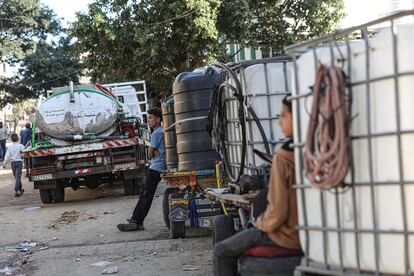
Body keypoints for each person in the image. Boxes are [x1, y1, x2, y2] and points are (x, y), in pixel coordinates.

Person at [212, 95, 302, 276]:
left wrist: (258, 224)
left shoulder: (284, 156)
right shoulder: (315, 148)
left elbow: (277, 211)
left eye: (284, 115)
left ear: (299, 117)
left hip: (287, 236)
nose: (279, 121)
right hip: (308, 233)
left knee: (220, 252)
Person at [117, 107, 166, 231]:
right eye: (147, 118)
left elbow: (149, 154)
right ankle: (137, 221)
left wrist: (152, 152)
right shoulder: (161, 132)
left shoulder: (157, 133)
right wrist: (154, 152)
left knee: (145, 195)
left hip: (155, 168)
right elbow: (153, 152)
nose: (148, 120)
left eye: (151, 118)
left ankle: (136, 221)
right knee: (145, 195)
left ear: (158, 119)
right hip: (158, 167)